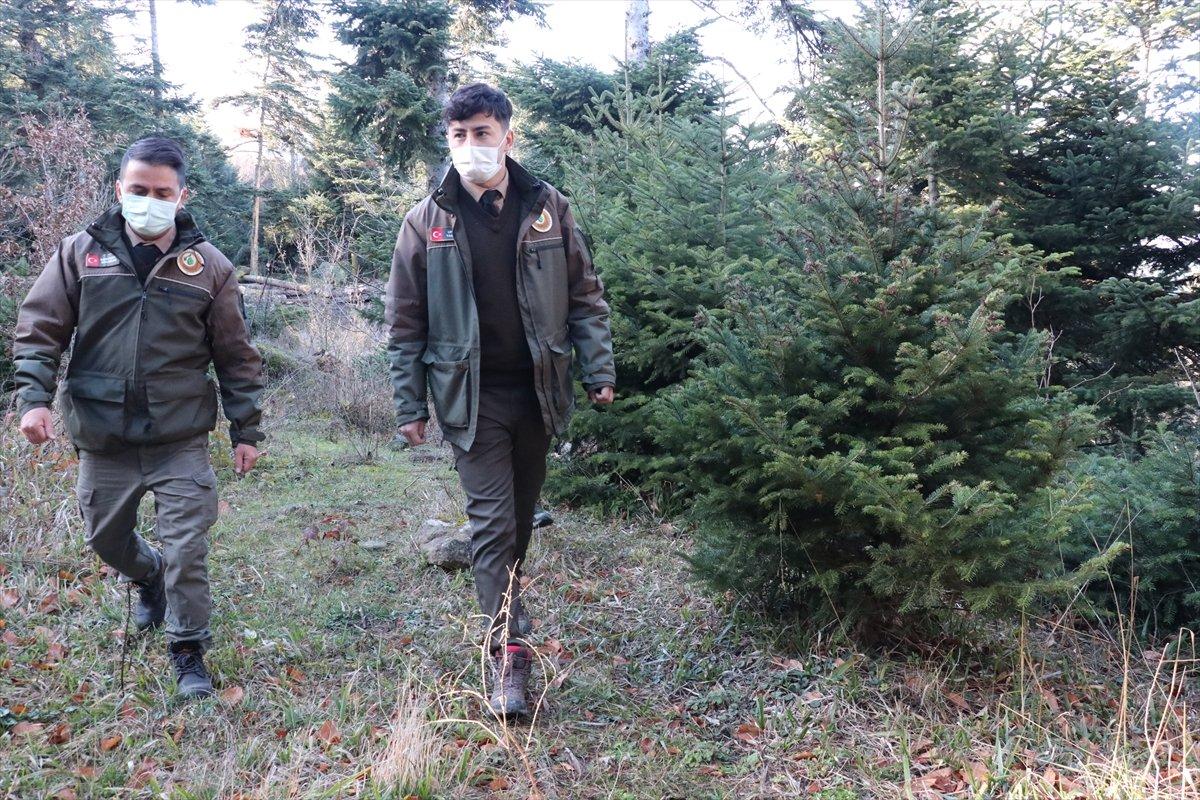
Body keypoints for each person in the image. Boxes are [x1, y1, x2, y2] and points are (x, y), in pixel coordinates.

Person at [386, 83, 616, 717]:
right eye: (458, 136)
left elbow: (585, 297)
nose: (470, 146)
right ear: (447, 140)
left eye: (482, 133)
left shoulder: (548, 209)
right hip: (471, 397)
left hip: (539, 391)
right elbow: (405, 324)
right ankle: (507, 655)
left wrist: (599, 369)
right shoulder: (425, 222)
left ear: (508, 136)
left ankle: (507, 605)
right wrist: (410, 404)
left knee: (516, 519)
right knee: (491, 524)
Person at [12, 136, 265, 699]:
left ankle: (188, 649)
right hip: (102, 434)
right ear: (119, 188)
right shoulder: (80, 253)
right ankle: (147, 577)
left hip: (179, 436)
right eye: (138, 189)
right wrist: (33, 398)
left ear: (181, 196)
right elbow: (40, 330)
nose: (149, 200)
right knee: (107, 539)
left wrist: (247, 430)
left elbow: (237, 356)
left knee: (187, 547)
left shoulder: (210, 268)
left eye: (162, 192)